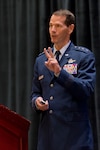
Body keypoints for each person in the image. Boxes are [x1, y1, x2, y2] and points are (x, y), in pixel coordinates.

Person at [31, 9, 96, 150]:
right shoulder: (41, 60)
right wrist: (37, 102)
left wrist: (60, 73)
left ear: (70, 28)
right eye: (50, 25)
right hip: (48, 138)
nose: (52, 30)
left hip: (74, 139)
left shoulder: (83, 56)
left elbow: (86, 90)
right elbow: (35, 93)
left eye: (58, 26)